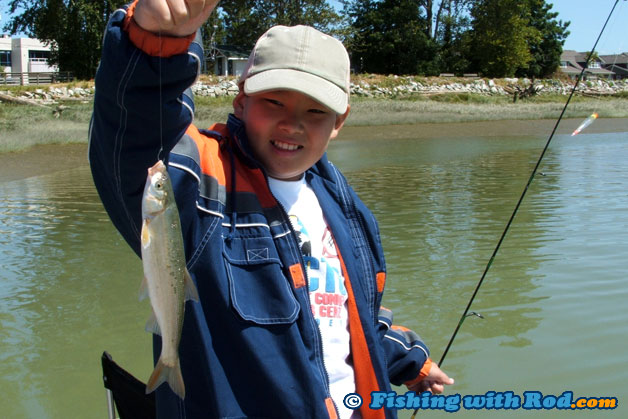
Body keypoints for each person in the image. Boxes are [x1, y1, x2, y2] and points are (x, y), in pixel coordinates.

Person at [89, 0, 453, 417]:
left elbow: (347, 311)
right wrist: (156, 41)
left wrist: (407, 360)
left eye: (315, 111)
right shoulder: (201, 182)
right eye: (274, 103)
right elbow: (133, 136)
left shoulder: (345, 205)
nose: (292, 124)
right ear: (241, 101)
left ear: (339, 121)